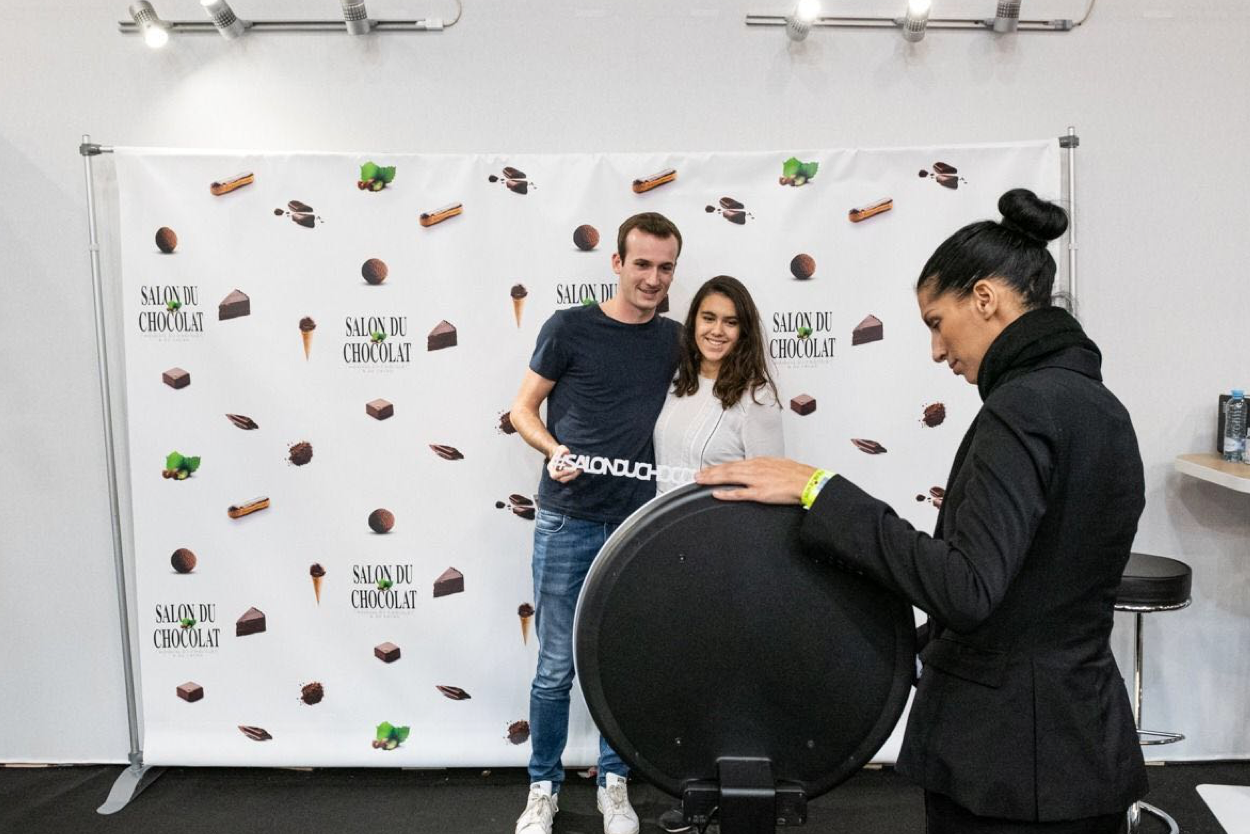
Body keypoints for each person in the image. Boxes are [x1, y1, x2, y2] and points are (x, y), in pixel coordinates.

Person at [697, 189, 1148, 833]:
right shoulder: (1101, 408)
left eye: (937, 322)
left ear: (986, 299)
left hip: (1004, 767)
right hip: (1085, 751)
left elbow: (967, 589)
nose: (937, 351)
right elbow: (1038, 585)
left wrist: (821, 490)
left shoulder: (1021, 411)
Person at [510, 212, 684, 834]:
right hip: (567, 519)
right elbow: (523, 409)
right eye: (642, 264)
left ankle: (615, 784)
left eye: (665, 268)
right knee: (556, 665)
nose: (653, 278)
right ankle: (541, 786)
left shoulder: (675, 340)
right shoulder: (569, 327)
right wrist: (552, 448)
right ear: (616, 263)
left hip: (637, 524)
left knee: (621, 663)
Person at [653, 274, 784, 492]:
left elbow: (771, 487)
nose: (717, 331)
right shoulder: (678, 378)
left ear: (743, 331)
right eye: (708, 318)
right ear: (694, 321)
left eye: (731, 322)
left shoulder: (757, 398)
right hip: (664, 521)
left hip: (720, 524)